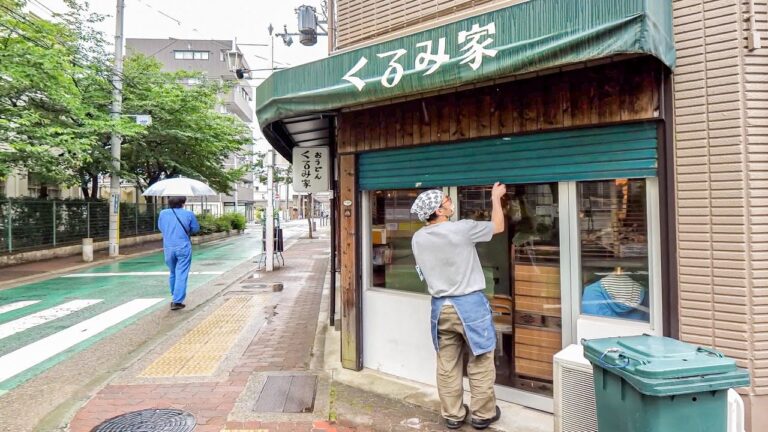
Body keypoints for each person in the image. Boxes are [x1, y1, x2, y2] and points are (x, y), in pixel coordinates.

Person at [410, 183, 506, 430]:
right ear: (439, 211)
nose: (451, 202)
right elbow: (498, 226)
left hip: (441, 309)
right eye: (446, 201)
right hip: (470, 305)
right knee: (481, 359)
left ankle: (452, 414)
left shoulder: (418, 238)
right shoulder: (461, 229)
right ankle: (483, 414)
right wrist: (496, 198)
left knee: (447, 363)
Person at [157, 196, 200, 310]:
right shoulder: (188, 214)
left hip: (168, 247)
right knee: (181, 272)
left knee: (173, 272)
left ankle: (174, 294)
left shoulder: (163, 213)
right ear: (182, 203)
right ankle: (177, 301)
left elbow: (160, 228)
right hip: (183, 246)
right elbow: (195, 229)